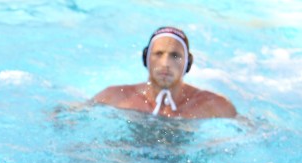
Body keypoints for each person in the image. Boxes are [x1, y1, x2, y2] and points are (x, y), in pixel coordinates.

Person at [91, 26, 236, 119]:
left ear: (188, 63)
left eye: (175, 56)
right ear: (146, 58)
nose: (165, 64)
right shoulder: (115, 97)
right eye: (159, 54)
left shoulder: (211, 104)